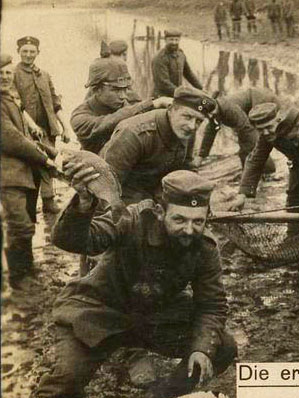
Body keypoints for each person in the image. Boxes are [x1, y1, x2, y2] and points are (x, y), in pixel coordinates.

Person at [1, 169, 238, 398]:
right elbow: (72, 238)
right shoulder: (130, 219)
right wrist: (84, 204)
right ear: (159, 210)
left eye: (198, 221)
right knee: (65, 379)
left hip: (153, 317)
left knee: (220, 346)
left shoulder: (205, 248)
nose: (189, 230)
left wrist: (201, 350)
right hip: (100, 311)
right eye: (179, 219)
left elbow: (212, 305)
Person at [100, 86, 216, 205]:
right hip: (125, 193)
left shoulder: (186, 131)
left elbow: (186, 168)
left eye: (198, 121)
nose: (192, 126)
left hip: (157, 191)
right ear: (171, 110)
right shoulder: (134, 134)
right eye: (187, 117)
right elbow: (108, 186)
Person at [1, 53, 56, 291]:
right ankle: (19, 278)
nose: (4, 77)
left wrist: (50, 153)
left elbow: (24, 136)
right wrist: (44, 157)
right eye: (0, 74)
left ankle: (27, 270)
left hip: (22, 174)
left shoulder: (10, 99)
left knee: (28, 222)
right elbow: (11, 140)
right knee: (19, 225)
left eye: (7, 73)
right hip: (8, 175)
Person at [229, 104, 299, 225]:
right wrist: (242, 194)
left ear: (279, 119)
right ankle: (294, 236)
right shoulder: (267, 134)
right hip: (298, 164)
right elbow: (255, 160)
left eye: (268, 127)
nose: (265, 132)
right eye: (260, 129)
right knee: (293, 203)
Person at [14, 35, 74, 214]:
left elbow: (55, 103)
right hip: (24, 129)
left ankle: (48, 201)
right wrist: (31, 126)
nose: (28, 55)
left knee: (49, 163)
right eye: (24, 51)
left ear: (38, 52)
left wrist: (65, 127)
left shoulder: (44, 74)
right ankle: (27, 206)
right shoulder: (12, 74)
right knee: (30, 166)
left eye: (32, 52)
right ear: (18, 52)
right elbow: (16, 104)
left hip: (47, 130)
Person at [72, 58, 173, 154]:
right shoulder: (80, 117)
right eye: (116, 90)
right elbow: (108, 122)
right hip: (96, 168)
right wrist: (151, 104)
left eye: (125, 89)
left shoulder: (132, 104)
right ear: (96, 90)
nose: (123, 96)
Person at [194, 86, 282, 174]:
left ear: (216, 105)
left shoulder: (228, 109)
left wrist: (248, 163)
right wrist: (201, 155)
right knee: (249, 145)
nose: (210, 116)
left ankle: (268, 170)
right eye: (207, 114)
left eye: (212, 113)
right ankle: (257, 171)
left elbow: (247, 131)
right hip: (251, 108)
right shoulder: (214, 111)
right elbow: (211, 131)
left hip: (262, 102)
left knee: (251, 145)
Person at [151, 30, 203, 98]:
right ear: (165, 40)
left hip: (177, 95)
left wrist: (201, 89)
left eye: (176, 40)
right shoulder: (160, 57)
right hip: (162, 96)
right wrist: (181, 93)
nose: (174, 42)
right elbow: (163, 82)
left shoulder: (181, 54)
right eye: (171, 40)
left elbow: (189, 74)